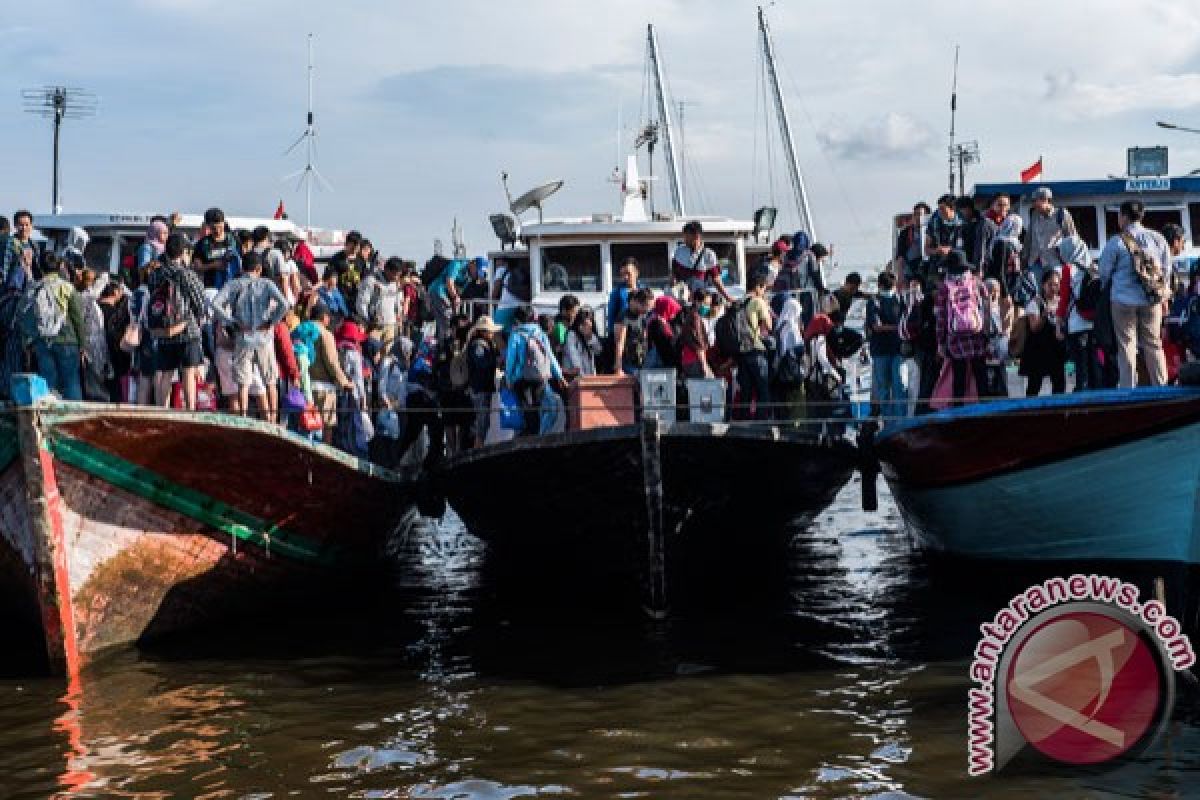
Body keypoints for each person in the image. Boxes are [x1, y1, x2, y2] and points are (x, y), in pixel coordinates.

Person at [211, 250, 289, 421]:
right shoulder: (267, 284)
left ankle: (244, 418)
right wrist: (271, 321)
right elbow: (285, 304)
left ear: (242, 267)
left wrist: (231, 321)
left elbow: (215, 303)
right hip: (264, 337)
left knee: (243, 382)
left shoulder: (234, 284)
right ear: (259, 268)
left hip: (243, 337)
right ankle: (272, 420)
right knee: (270, 380)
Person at [1098, 200, 1169, 388]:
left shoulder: (1116, 241)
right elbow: (1166, 271)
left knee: (1127, 344)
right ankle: (1161, 386)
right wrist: (1162, 296)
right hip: (1151, 299)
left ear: (1123, 217)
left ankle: (1128, 388)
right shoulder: (1158, 239)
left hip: (1123, 300)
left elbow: (1104, 273)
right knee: (1153, 343)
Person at [147, 234, 207, 410]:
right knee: (188, 371)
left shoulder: (156, 274)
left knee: (165, 373)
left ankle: (161, 410)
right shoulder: (186, 274)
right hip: (187, 330)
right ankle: (190, 410)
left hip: (164, 331)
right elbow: (200, 301)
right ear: (182, 253)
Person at [25, 252, 85, 401]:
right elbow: (77, 318)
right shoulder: (67, 287)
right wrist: (82, 344)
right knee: (71, 383)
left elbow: (27, 318)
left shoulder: (33, 288)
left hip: (42, 341)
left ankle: (48, 419)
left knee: (48, 384)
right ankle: (74, 420)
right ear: (59, 267)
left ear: (39, 266)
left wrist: (28, 343)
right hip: (67, 340)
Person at [934, 250, 988, 405]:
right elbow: (987, 309)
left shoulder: (945, 288)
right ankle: (986, 412)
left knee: (958, 379)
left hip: (955, 340)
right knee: (981, 376)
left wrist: (941, 342)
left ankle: (958, 412)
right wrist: (987, 334)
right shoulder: (976, 283)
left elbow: (941, 318)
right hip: (977, 337)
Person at [504, 305, 565, 436]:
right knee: (544, 407)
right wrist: (559, 376)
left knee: (526, 409)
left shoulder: (515, 334)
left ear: (517, 320)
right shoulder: (540, 334)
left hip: (521, 378)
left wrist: (508, 378)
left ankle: (528, 437)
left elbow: (510, 359)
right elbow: (550, 355)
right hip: (540, 377)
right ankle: (541, 434)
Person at [1056, 236, 1101, 392]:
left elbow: (1064, 298)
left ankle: (1082, 391)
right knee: (1094, 359)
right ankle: (1098, 391)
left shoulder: (1068, 268)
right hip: (1094, 321)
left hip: (1077, 322)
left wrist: (1059, 321)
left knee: (1080, 362)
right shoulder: (1093, 266)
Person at [307, 303, 356, 445]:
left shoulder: (301, 331)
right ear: (324, 317)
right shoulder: (325, 334)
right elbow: (332, 362)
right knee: (326, 427)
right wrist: (344, 382)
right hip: (323, 389)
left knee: (306, 425)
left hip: (304, 387)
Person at [866, 271, 905, 421]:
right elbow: (876, 326)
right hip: (880, 350)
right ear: (879, 286)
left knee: (899, 385)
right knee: (883, 387)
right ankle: (888, 420)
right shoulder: (874, 301)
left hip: (897, 349)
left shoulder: (899, 299)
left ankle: (900, 419)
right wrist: (898, 328)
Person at [1021, 270, 1068, 396]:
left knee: (1059, 384)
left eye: (1056, 284)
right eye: (1050, 284)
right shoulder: (1035, 302)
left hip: (1056, 351)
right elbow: (1034, 328)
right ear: (1043, 285)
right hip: (1037, 350)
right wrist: (1044, 315)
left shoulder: (1062, 302)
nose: (1053, 288)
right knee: (1034, 385)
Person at [734, 272, 774, 421]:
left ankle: (744, 423)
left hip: (742, 352)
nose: (764, 292)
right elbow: (768, 326)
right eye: (763, 289)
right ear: (758, 287)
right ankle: (762, 422)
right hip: (756, 350)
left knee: (746, 391)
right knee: (763, 389)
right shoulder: (758, 301)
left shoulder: (739, 302)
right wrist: (766, 307)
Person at [1024, 187, 1076, 282]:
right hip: (1035, 262)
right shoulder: (1034, 215)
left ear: (1046, 200)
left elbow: (1072, 239)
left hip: (1054, 261)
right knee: (1036, 293)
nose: (1034, 204)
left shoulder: (1062, 214)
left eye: (1036, 200)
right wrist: (1024, 260)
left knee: (1055, 290)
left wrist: (1071, 262)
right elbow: (1029, 239)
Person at [672, 221, 732, 303]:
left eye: (686, 236)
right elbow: (674, 273)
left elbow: (716, 279)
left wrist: (727, 297)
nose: (684, 239)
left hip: (700, 299)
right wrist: (674, 284)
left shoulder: (709, 254)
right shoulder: (679, 251)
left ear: (696, 236)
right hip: (681, 298)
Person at [465, 315, 501, 446]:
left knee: (483, 423)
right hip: (479, 389)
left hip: (484, 387)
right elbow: (482, 363)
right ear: (483, 331)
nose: (492, 333)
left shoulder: (486, 344)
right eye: (489, 331)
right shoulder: (478, 345)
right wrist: (495, 361)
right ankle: (477, 449)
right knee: (481, 424)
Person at [192, 208, 240, 291]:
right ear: (208, 226)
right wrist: (214, 265)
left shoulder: (234, 241)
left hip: (232, 287)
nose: (217, 231)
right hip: (211, 289)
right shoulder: (202, 244)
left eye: (220, 227)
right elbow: (197, 267)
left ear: (224, 223)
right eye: (213, 228)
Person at [982, 278, 1013, 397]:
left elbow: (1007, 328)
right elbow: (985, 327)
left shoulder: (1003, 306)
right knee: (988, 375)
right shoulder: (980, 306)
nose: (994, 294)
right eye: (990, 291)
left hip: (1000, 344)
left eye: (996, 291)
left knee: (1001, 373)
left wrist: (1007, 313)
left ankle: (1002, 393)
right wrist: (987, 307)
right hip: (986, 342)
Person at [613, 287, 652, 377]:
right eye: (645, 305)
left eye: (649, 306)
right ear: (636, 301)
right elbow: (619, 343)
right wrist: (618, 368)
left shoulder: (642, 316)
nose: (647, 309)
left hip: (641, 362)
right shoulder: (624, 317)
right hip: (628, 364)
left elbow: (645, 337)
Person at [925, 194, 964, 280]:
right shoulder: (933, 222)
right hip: (937, 263)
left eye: (942, 209)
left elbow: (968, 247)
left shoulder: (964, 222)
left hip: (959, 265)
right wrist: (937, 251)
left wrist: (950, 250)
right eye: (939, 209)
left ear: (952, 208)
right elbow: (927, 249)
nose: (940, 212)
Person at [957, 196, 996, 277]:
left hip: (982, 268)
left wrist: (978, 269)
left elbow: (980, 248)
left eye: (960, 210)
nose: (959, 214)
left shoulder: (983, 224)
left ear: (967, 208)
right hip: (969, 267)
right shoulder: (964, 224)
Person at [644, 294, 683, 370]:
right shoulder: (657, 324)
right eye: (672, 310)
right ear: (666, 309)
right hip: (659, 364)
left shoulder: (660, 321)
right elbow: (668, 345)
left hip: (660, 361)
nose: (674, 313)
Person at [894, 202, 930, 281]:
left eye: (920, 214)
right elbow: (901, 256)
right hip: (911, 267)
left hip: (929, 267)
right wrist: (900, 275)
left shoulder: (934, 231)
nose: (917, 217)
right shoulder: (905, 233)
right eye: (915, 214)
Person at [562, 308, 601, 379]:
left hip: (589, 374)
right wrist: (583, 377)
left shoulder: (591, 335)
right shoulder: (571, 335)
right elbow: (574, 357)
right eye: (584, 324)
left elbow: (598, 351)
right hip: (575, 377)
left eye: (589, 325)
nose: (586, 327)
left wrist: (590, 337)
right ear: (579, 323)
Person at [135, 220, 168, 286]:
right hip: (150, 286)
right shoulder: (146, 247)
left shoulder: (163, 247)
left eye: (167, 233)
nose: (166, 236)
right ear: (155, 232)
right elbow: (142, 271)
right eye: (164, 233)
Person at [552, 294, 581, 361]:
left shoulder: (575, 324)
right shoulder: (559, 327)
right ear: (564, 311)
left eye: (577, 312)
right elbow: (561, 349)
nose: (577, 315)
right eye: (574, 312)